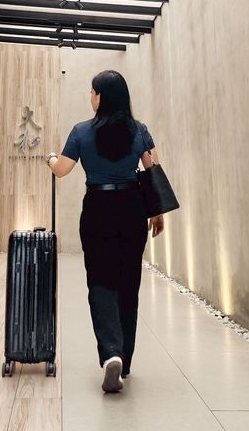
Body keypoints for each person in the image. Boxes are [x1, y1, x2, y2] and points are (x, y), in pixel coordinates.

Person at [45, 69, 165, 394]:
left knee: (100, 283)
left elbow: (62, 171)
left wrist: (51, 157)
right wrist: (156, 214)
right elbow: (153, 168)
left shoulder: (81, 131)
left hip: (98, 207)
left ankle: (110, 352)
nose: (90, 97)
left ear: (100, 96)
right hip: (132, 208)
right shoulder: (139, 130)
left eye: (91, 92)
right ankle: (124, 360)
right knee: (129, 284)